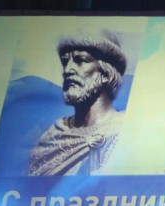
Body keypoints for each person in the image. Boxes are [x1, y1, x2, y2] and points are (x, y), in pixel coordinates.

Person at [28, 28, 127, 175]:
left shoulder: (124, 128)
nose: (67, 70)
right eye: (65, 62)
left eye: (80, 60)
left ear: (106, 73)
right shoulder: (53, 133)